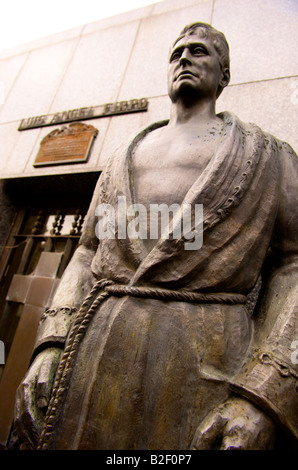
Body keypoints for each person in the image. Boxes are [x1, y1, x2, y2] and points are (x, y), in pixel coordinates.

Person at [14, 22, 298, 450]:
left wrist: (263, 396)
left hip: (208, 362)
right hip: (96, 356)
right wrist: (49, 346)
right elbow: (86, 253)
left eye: (199, 51)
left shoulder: (269, 156)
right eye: (176, 52)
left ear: (224, 75)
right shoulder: (120, 159)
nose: (183, 57)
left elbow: (294, 266)